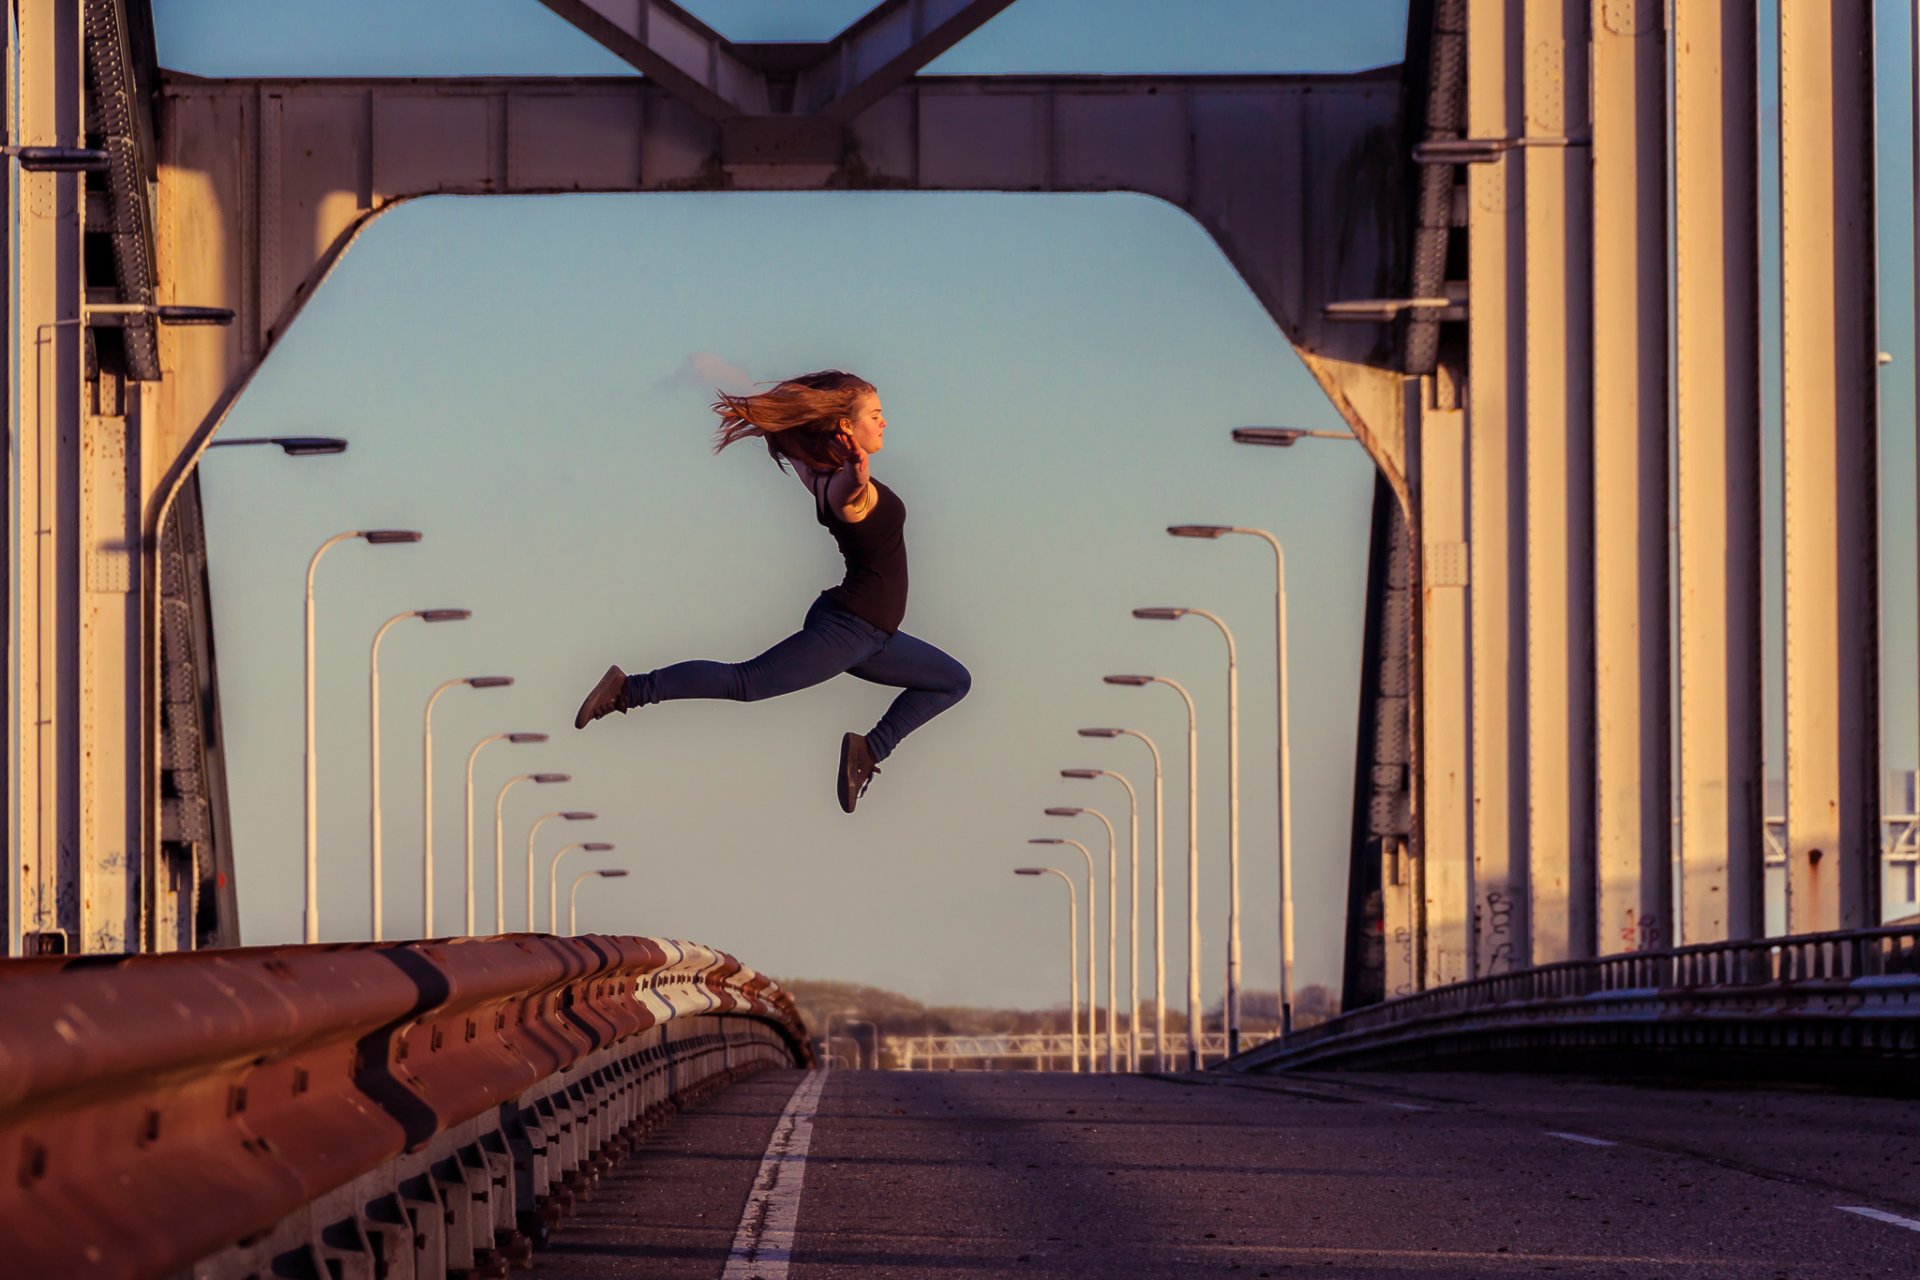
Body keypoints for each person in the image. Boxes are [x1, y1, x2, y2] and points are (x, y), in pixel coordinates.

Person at [574, 370, 970, 813]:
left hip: (875, 637)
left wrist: (779, 420)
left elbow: (794, 448)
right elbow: (851, 494)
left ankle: (868, 751)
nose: (883, 422)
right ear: (846, 425)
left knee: (953, 681)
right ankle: (628, 689)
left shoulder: (818, 473)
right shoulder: (844, 489)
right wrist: (858, 474)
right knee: (746, 682)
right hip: (850, 631)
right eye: (875, 414)